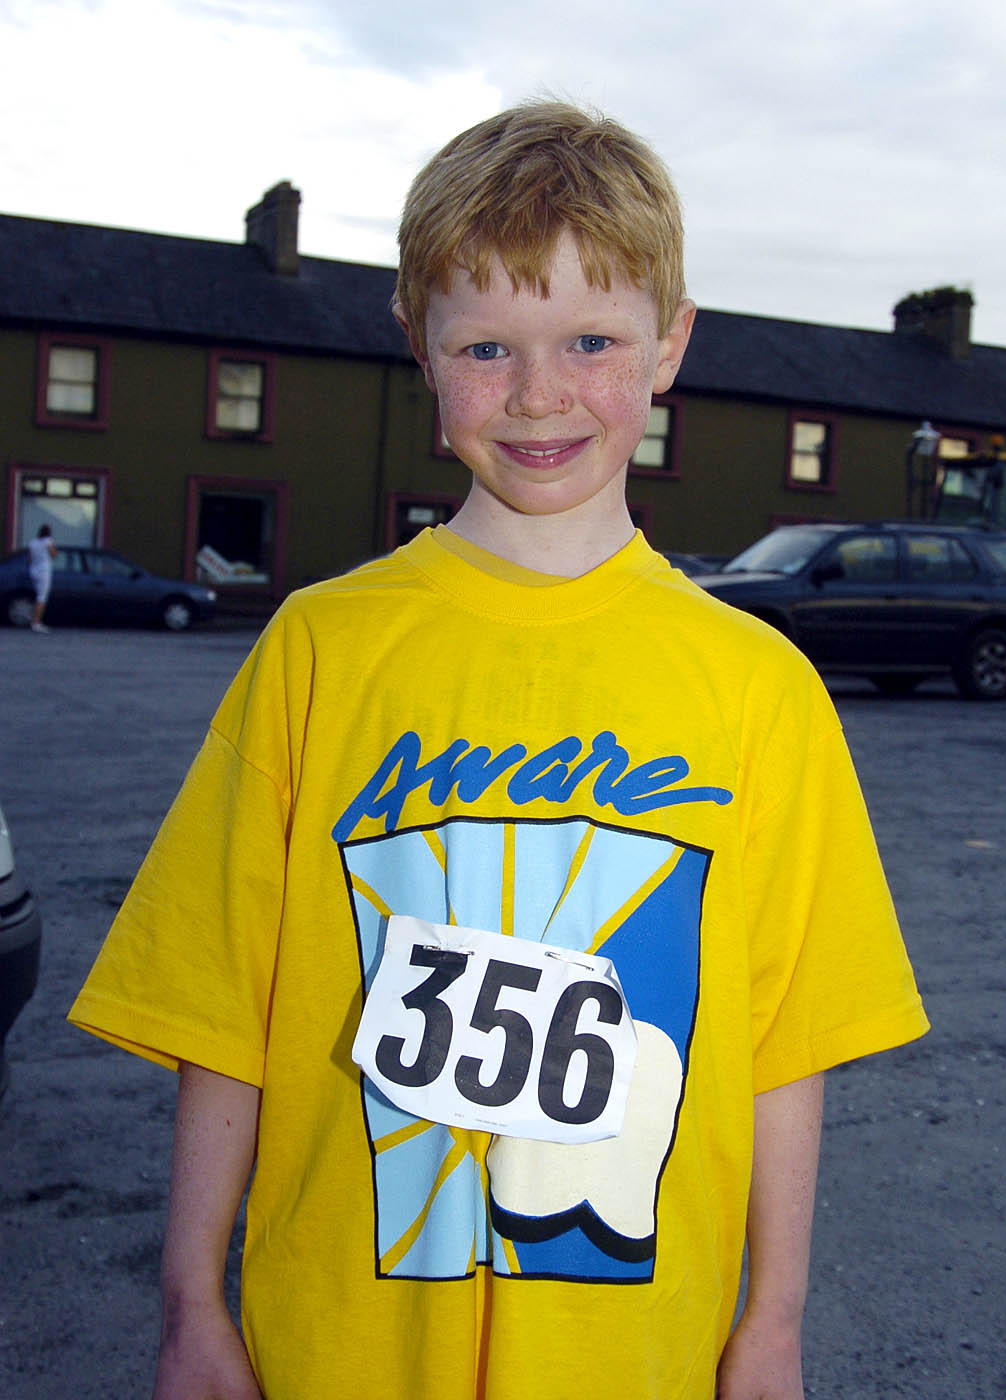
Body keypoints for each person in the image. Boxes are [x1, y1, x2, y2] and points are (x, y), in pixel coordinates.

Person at [68, 102, 929, 1400]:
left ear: (670, 347)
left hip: (633, 1358)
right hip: (346, 1349)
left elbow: (784, 1044)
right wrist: (194, 1301)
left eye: (591, 339)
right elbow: (220, 1011)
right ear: (417, 344)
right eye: (487, 346)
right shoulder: (321, 652)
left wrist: (773, 1326)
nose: (538, 395)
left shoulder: (759, 689)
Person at [27, 523, 57, 632]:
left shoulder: (33, 542)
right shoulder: (48, 542)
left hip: (33, 571)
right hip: (43, 572)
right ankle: (36, 623)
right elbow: (54, 555)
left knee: (37, 597)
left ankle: (33, 619)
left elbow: (29, 559)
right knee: (42, 598)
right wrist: (53, 544)